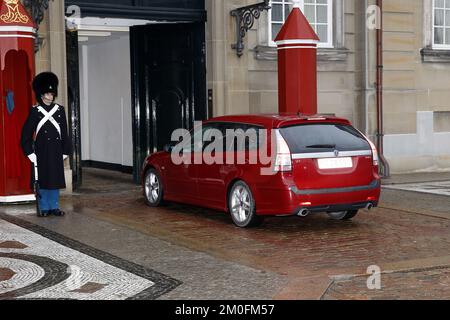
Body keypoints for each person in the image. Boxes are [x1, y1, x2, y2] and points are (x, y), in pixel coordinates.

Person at [21, 72, 72, 217]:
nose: (50, 97)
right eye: (47, 94)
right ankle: (44, 207)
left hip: (56, 150)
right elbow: (25, 134)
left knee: (55, 179)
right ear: (41, 95)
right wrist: (30, 153)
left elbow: (64, 132)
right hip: (41, 151)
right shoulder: (35, 111)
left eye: (52, 94)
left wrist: (65, 150)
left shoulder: (60, 110)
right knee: (42, 180)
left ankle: (54, 206)